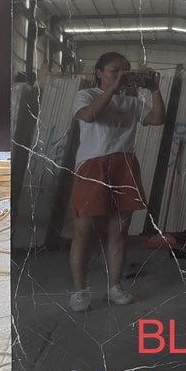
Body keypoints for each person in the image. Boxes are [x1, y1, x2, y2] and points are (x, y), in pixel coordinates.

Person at [68, 52, 166, 312]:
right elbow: (89, 115)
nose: (121, 76)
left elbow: (158, 119)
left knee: (119, 230)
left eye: (126, 71)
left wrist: (155, 89)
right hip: (92, 165)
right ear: (99, 72)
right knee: (83, 231)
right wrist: (112, 89)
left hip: (124, 165)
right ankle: (80, 291)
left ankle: (115, 286)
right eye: (114, 70)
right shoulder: (86, 95)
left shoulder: (132, 102)